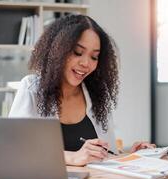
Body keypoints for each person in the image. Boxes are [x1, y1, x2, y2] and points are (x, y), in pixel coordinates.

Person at [9, 14, 155, 166]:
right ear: (58, 50)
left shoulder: (96, 94)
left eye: (94, 57)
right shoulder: (32, 89)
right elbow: (15, 149)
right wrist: (72, 157)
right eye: (78, 52)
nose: (86, 63)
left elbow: (106, 154)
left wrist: (133, 156)